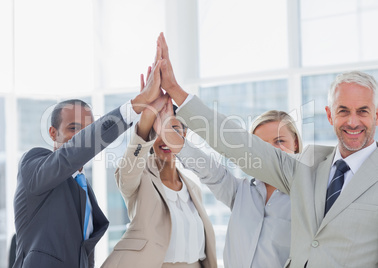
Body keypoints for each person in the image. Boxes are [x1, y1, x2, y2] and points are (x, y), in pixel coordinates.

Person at [156, 32, 378, 267]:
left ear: (376, 115)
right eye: (343, 111)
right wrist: (174, 90)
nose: (353, 122)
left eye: (362, 111)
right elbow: (240, 145)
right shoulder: (307, 166)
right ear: (330, 115)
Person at [12, 53, 165, 268]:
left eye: (88, 130)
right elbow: (69, 155)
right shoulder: (34, 164)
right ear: (53, 133)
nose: (82, 136)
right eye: (74, 128)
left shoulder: (82, 187)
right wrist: (136, 105)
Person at [157, 107, 302, 267]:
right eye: (261, 145)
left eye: (279, 141)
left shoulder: (308, 196)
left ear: (295, 143)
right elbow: (206, 167)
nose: (270, 151)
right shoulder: (240, 191)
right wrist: (165, 126)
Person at [100, 71, 217, 268]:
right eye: (157, 131)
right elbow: (127, 174)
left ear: (185, 134)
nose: (165, 138)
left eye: (172, 129)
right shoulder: (140, 178)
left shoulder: (193, 188)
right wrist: (146, 119)